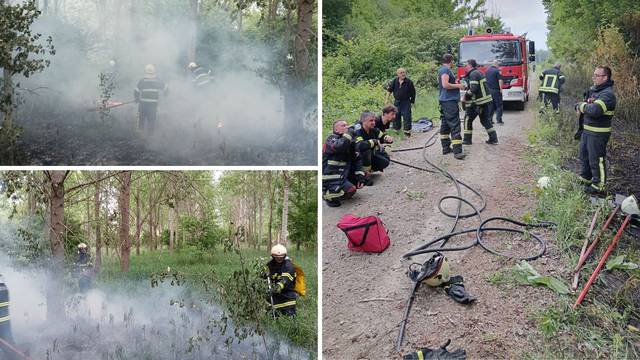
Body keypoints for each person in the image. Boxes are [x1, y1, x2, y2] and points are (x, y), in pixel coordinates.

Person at [575, 65, 616, 195]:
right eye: (594, 75)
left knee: (596, 160)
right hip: (587, 131)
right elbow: (585, 106)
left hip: (598, 133)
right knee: (584, 156)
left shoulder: (608, 94)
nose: (594, 78)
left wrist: (582, 106)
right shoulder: (595, 91)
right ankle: (586, 178)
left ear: (605, 77)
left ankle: (599, 186)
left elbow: (596, 110)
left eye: (597, 75)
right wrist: (582, 105)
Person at [322, 119, 365, 207]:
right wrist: (349, 134)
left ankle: (340, 188)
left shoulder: (349, 141)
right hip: (331, 177)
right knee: (351, 190)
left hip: (342, 174)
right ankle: (328, 195)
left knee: (364, 177)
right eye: (343, 126)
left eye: (347, 125)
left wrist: (360, 176)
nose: (347, 127)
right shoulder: (331, 139)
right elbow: (340, 146)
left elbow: (357, 159)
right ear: (336, 130)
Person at [437, 54, 467, 160]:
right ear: (451, 61)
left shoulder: (442, 70)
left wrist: (455, 82)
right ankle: (457, 152)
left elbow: (446, 84)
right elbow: (445, 85)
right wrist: (459, 86)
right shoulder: (445, 70)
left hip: (444, 101)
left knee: (445, 125)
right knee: (455, 125)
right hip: (449, 102)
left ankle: (445, 148)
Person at [461, 59, 498, 145]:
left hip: (478, 102)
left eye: (466, 65)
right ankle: (493, 138)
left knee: (467, 119)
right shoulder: (478, 72)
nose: (465, 67)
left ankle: (467, 140)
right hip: (485, 101)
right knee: (485, 120)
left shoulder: (473, 74)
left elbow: (474, 88)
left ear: (470, 65)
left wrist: (466, 96)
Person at [355, 111, 393, 184]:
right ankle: (364, 174)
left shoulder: (373, 129)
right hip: (357, 159)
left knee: (385, 161)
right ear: (363, 121)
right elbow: (360, 146)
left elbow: (382, 136)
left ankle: (370, 170)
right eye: (371, 121)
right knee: (366, 150)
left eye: (374, 120)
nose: (374, 123)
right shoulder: (357, 131)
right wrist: (374, 141)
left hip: (370, 155)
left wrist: (387, 138)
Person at [134, 64, 168, 135]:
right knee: (151, 120)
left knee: (141, 120)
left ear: (145, 71)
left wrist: (136, 98)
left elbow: (136, 90)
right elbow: (166, 87)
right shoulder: (157, 81)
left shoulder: (142, 80)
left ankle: (140, 136)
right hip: (153, 105)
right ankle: (150, 137)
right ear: (154, 71)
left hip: (143, 104)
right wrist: (165, 94)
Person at [264, 244, 297, 317]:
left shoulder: (289, 266)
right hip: (275, 300)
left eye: (281, 257)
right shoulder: (269, 265)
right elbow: (262, 277)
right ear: (273, 256)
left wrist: (277, 288)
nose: (279, 259)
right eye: (277, 257)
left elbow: (285, 280)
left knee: (289, 323)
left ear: (285, 256)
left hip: (288, 300)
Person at [385, 68, 416, 137]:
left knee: (407, 116)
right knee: (396, 116)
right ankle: (396, 131)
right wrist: (386, 99)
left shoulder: (409, 82)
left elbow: (413, 92)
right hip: (397, 102)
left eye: (404, 72)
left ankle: (407, 132)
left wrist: (412, 102)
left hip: (406, 102)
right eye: (401, 73)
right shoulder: (394, 81)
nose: (403, 74)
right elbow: (389, 90)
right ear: (398, 74)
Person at [485, 60, 504, 124]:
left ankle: (490, 120)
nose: (499, 66)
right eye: (498, 65)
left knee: (491, 106)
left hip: (489, 91)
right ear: (496, 64)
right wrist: (501, 89)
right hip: (496, 90)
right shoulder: (497, 71)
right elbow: (500, 80)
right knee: (499, 105)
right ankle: (499, 120)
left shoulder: (487, 71)